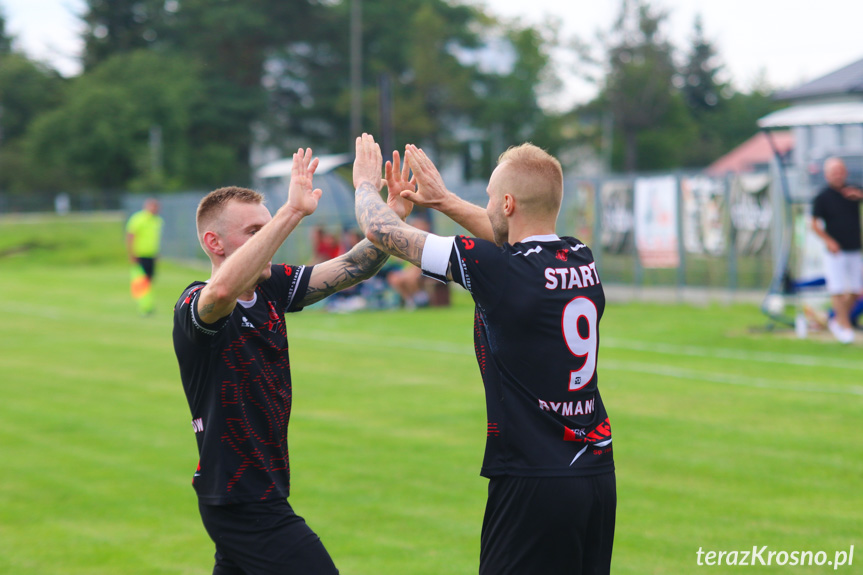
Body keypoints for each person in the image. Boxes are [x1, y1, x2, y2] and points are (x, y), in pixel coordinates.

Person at [353, 134, 615, 575]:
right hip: (595, 474)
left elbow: (383, 232)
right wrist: (444, 201)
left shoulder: (495, 267)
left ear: (509, 203)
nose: (488, 204)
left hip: (533, 480)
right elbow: (507, 240)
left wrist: (364, 185)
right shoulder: (579, 257)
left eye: (492, 197)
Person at [172, 148, 410, 575]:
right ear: (214, 242)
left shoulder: (271, 288)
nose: (270, 239)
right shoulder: (195, 305)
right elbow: (221, 294)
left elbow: (354, 266)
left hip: (260, 489)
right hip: (241, 498)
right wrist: (291, 213)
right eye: (254, 231)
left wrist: (391, 218)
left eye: (269, 229)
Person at [811, 157, 863, 344]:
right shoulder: (822, 197)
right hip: (836, 251)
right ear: (827, 175)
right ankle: (845, 326)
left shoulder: (854, 191)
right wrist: (829, 241)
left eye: (840, 171)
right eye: (834, 172)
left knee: (857, 290)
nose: (838, 175)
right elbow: (814, 224)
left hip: (854, 248)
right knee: (838, 289)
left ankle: (837, 319)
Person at [125, 198, 164, 315]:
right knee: (141, 281)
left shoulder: (158, 221)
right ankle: (144, 307)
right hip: (140, 255)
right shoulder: (138, 219)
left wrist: (157, 253)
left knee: (150, 281)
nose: (155, 209)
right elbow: (131, 236)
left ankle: (148, 304)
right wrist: (131, 253)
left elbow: (154, 239)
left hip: (151, 255)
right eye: (153, 206)